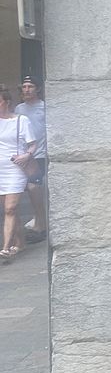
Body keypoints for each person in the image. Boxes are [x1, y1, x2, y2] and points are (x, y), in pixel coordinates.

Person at [0, 84, 38, 262]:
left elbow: (33, 144)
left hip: (15, 168)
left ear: (7, 102)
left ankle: (5, 248)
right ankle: (20, 242)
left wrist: (27, 155)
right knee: (8, 210)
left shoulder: (21, 120)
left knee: (10, 208)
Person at [16, 76, 47, 242]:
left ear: (38, 89)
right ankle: (37, 221)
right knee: (28, 190)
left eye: (30, 86)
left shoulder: (44, 107)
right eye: (24, 86)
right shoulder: (19, 108)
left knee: (34, 187)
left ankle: (40, 225)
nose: (27, 90)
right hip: (23, 155)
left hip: (40, 154)